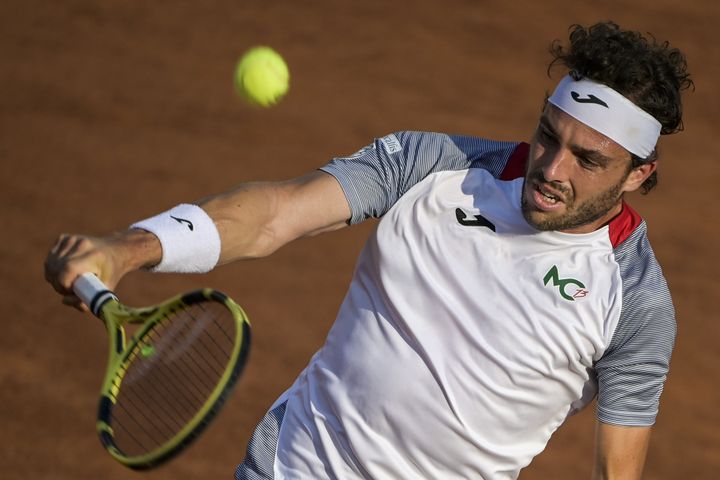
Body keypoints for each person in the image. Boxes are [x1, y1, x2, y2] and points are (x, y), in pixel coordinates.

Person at [45, 21, 692, 480]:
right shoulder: (434, 167)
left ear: (639, 173)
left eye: (589, 159)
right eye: (548, 136)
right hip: (295, 466)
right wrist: (129, 249)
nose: (552, 168)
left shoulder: (633, 301)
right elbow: (273, 215)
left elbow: (618, 466)